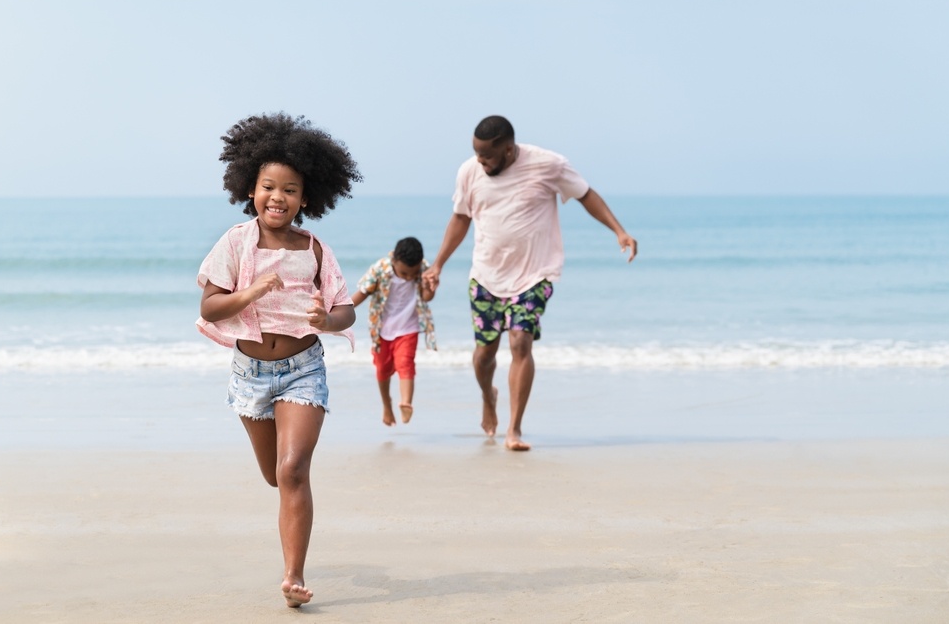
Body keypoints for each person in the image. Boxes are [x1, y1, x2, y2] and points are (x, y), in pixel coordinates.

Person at [195, 112, 361, 608]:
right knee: (274, 475)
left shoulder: (313, 249)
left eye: (290, 190)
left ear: (306, 198)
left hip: (302, 369)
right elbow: (209, 305)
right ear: (251, 189)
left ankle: (293, 577)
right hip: (251, 374)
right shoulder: (235, 242)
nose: (278, 197)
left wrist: (328, 321)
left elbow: (345, 308)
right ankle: (291, 524)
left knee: (292, 470)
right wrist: (252, 291)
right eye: (269, 186)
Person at [422, 115, 638, 452]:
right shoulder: (469, 171)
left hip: (535, 274)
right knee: (484, 355)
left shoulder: (547, 165)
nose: (481, 162)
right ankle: (488, 397)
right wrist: (438, 264)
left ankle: (514, 429)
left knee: (521, 341)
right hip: (486, 276)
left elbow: (585, 194)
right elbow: (461, 218)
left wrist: (619, 230)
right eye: (477, 155)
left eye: (487, 157)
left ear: (508, 150)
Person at [352, 236, 438, 426]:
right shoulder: (380, 269)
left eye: (412, 274)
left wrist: (431, 288)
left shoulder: (423, 269)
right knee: (382, 370)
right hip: (382, 330)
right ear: (394, 261)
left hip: (409, 328)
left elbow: (426, 296)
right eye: (404, 273)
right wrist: (340, 310)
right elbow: (363, 293)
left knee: (405, 363)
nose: (409, 277)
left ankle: (406, 403)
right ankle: (387, 405)